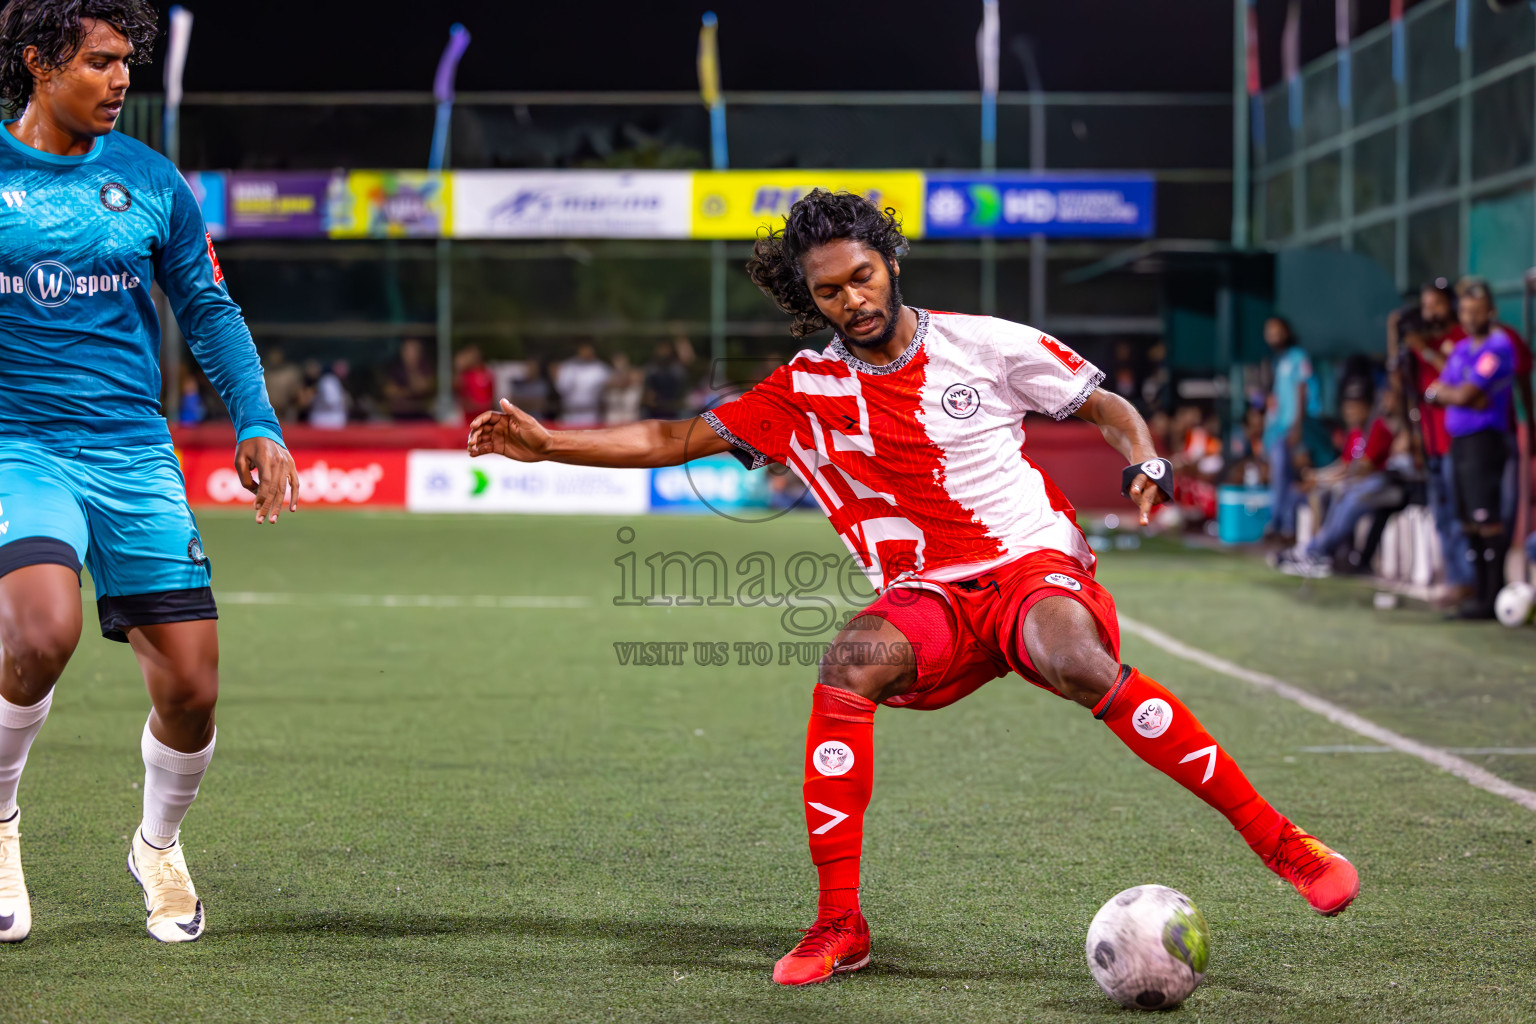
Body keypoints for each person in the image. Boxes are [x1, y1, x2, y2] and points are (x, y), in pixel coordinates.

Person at [468, 189, 1358, 986]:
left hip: (1028, 563)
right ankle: (839, 925)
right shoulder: (806, 389)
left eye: (861, 276)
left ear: (890, 262)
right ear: (806, 297)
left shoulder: (984, 343)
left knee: (1074, 658)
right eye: (828, 290)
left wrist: (1146, 459)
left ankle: (1285, 845)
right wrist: (550, 446)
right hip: (929, 594)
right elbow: (670, 437)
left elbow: (1105, 406)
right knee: (847, 663)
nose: (851, 300)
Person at [0, 0, 300, 944]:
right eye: (100, 61)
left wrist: (255, 417)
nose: (121, 79)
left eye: (128, 61)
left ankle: (156, 846)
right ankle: (2, 824)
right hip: (18, 446)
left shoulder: (151, 179)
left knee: (192, 689)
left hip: (132, 453)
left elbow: (207, 307)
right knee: (39, 631)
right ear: (38, 62)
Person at [1427, 279, 1518, 619]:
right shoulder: (1462, 349)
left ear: (1490, 312)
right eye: (1464, 311)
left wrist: (1451, 395)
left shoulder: (1498, 347)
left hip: (1486, 443)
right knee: (1467, 521)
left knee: (1487, 520)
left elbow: (1466, 395)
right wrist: (1454, 394)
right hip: (1460, 444)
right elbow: (1443, 391)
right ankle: (1478, 593)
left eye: (1476, 312)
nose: (1468, 318)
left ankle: (1491, 597)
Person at [1392, 282, 1472, 604]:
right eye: (1426, 306)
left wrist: (1424, 350)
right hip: (1430, 441)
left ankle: (1468, 579)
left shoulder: (1460, 340)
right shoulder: (1421, 343)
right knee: (1440, 514)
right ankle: (1454, 578)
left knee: (1457, 513)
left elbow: (1455, 375)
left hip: (1457, 441)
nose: (1430, 313)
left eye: (1436, 305)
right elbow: (1404, 388)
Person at [1272, 381, 1402, 578]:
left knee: (1347, 496)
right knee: (1326, 494)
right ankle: (1327, 553)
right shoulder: (1356, 431)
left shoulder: (1378, 427)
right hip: (1357, 484)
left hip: (1384, 485)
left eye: (1356, 405)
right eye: (1348, 406)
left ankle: (1313, 551)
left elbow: (1362, 469)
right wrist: (1319, 476)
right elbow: (1344, 464)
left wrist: (1325, 479)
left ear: (1368, 405)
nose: (1351, 411)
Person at [1262, 317, 1320, 541]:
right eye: (1269, 332)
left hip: (1294, 427)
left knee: (1289, 476)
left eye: (1277, 331)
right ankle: (1280, 522)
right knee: (1279, 476)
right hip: (1278, 429)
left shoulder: (1298, 357)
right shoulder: (1278, 361)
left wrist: (1297, 426)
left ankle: (1284, 524)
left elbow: (1302, 389)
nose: (1273, 336)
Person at [553, 342, 610, 427]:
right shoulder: (568, 366)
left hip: (591, 414)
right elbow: (560, 388)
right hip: (571, 414)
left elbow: (610, 386)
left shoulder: (600, 368)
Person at [383, 337, 436, 422]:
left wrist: (412, 370)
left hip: (420, 414)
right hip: (400, 415)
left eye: (414, 351)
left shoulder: (425, 367)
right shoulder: (396, 369)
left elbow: (424, 387)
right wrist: (408, 392)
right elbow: (389, 391)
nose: (411, 354)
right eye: (408, 350)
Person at [641, 336, 694, 419]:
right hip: (657, 411)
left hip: (676, 411)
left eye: (665, 348)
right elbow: (648, 395)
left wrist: (680, 336)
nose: (662, 351)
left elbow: (688, 358)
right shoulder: (652, 369)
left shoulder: (678, 369)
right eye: (660, 348)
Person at [453, 344, 494, 423]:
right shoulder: (465, 376)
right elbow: (460, 395)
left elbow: (491, 398)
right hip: (469, 421)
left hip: (484, 419)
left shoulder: (487, 374)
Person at [309, 359, 350, 429]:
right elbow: (331, 400)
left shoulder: (335, 381)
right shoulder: (328, 380)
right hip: (325, 420)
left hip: (333, 420)